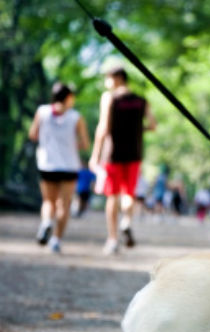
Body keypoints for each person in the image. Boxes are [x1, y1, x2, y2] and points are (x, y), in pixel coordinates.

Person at [89, 66, 156, 254]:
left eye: (107, 78)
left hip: (113, 154)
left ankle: (112, 239)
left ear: (117, 78)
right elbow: (152, 125)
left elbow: (103, 127)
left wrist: (95, 156)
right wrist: (136, 130)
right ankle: (126, 221)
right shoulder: (142, 101)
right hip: (134, 153)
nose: (106, 83)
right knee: (129, 194)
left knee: (113, 196)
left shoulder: (109, 98)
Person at [28, 82, 90, 254]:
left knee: (48, 201)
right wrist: (70, 145)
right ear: (69, 97)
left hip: (47, 163)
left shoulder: (42, 112)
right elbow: (85, 144)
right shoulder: (76, 117)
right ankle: (56, 240)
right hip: (69, 166)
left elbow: (33, 134)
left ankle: (47, 221)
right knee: (64, 204)